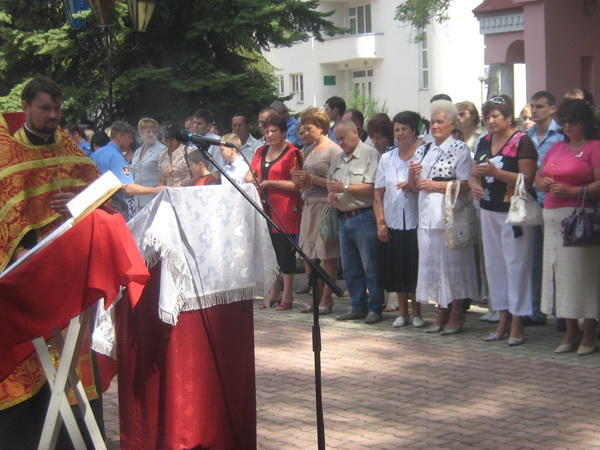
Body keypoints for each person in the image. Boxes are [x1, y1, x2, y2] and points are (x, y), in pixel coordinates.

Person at [0, 76, 102, 448]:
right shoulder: (7, 155)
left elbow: (101, 193)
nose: (53, 116)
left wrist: (77, 201)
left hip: (70, 273)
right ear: (25, 107)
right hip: (26, 275)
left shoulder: (70, 148)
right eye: (45, 108)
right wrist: (19, 253)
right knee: (31, 360)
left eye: (57, 109)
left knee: (72, 357)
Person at [470, 95, 538, 346]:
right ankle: (502, 318)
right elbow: (473, 171)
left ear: (509, 117)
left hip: (514, 212)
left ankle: (518, 322)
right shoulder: (484, 140)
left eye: (496, 116)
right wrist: (474, 184)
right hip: (488, 209)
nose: (491, 121)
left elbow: (527, 179)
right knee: (495, 266)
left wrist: (496, 172)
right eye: (487, 116)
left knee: (516, 265)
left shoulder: (522, 141)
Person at [536, 99, 600, 355]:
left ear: (585, 122)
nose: (568, 126)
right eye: (564, 122)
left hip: (579, 217)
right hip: (552, 216)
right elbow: (539, 176)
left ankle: (589, 331)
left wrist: (574, 191)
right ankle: (571, 331)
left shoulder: (594, 147)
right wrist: (542, 183)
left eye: (574, 121)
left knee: (584, 276)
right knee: (560, 277)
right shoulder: (557, 147)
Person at [408, 100, 478, 335]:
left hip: (450, 217)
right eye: (432, 122)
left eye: (440, 122)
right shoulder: (423, 149)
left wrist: (436, 185)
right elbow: (414, 187)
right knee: (433, 266)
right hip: (426, 216)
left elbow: (465, 184)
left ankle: (457, 312)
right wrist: (412, 174)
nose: (435, 126)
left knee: (454, 265)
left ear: (452, 124)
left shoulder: (459, 148)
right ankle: (441, 311)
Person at [327, 120, 384, 325]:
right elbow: (331, 183)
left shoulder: (370, 154)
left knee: (370, 266)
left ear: (355, 132)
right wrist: (331, 194)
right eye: (337, 139)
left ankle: (375, 308)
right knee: (350, 267)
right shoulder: (339, 158)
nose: (340, 143)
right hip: (343, 218)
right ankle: (358, 306)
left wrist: (344, 188)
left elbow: (373, 187)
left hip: (364, 216)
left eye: (343, 138)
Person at [246, 115, 303, 310]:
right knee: (268, 251)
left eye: (274, 131)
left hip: (284, 209)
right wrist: (252, 179)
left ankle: (287, 294)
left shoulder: (292, 153)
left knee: (284, 252)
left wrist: (271, 182)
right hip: (264, 208)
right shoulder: (261, 151)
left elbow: (297, 185)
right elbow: (249, 173)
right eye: (267, 131)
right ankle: (273, 291)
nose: (269, 135)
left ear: (284, 132)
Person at [290, 107, 343, 314]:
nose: (305, 133)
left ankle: (327, 298)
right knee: (308, 255)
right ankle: (316, 296)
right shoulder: (308, 150)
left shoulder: (333, 150)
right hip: (309, 204)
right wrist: (298, 178)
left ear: (321, 127)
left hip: (325, 204)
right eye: (302, 130)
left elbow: (336, 182)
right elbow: (304, 184)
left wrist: (311, 178)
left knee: (327, 254)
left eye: (309, 129)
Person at [374, 111, 424, 328]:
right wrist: (381, 223)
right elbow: (378, 194)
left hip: (416, 220)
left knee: (415, 267)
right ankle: (402, 313)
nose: (401, 133)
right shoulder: (387, 158)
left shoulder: (422, 155)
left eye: (405, 129)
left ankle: (418, 313)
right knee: (398, 269)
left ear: (413, 131)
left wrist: (411, 186)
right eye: (397, 129)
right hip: (393, 221)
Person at [525, 91, 565, 327]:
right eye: (532, 106)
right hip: (531, 203)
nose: (534, 110)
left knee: (556, 260)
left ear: (552, 109)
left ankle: (562, 313)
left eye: (539, 106)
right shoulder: (526, 136)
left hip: (554, 202)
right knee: (534, 260)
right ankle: (535, 311)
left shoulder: (561, 135)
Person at [91, 121, 164, 221]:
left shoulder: (96, 154)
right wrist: (156, 190)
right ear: (120, 136)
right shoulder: (117, 159)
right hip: (112, 208)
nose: (131, 141)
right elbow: (128, 188)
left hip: (95, 208)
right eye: (129, 137)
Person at [131, 118, 167, 213]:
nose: (151, 135)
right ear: (141, 133)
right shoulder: (137, 151)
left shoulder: (162, 150)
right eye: (148, 132)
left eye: (154, 132)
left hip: (154, 199)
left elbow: (165, 175)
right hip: (138, 201)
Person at [158, 122, 194, 187]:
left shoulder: (189, 152)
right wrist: (162, 187)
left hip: (186, 189)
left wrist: (180, 186)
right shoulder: (162, 156)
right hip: (168, 191)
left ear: (178, 139)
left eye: (172, 140)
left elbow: (197, 176)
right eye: (166, 140)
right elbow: (161, 180)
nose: (168, 143)